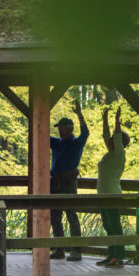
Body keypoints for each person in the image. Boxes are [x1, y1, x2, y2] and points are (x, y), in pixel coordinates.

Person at [50, 99, 89, 261]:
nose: (60, 132)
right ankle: (60, 249)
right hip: (55, 182)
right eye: (58, 129)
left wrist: (79, 114)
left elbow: (86, 132)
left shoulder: (76, 144)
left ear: (70, 129)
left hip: (69, 182)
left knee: (71, 215)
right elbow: (40, 134)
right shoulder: (57, 143)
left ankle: (76, 250)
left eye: (62, 129)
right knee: (55, 216)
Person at [96, 106, 130, 268]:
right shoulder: (109, 154)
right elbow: (106, 135)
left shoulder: (119, 154)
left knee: (114, 226)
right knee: (108, 226)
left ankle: (119, 257)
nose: (109, 140)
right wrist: (104, 119)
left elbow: (116, 135)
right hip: (103, 195)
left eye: (113, 139)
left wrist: (116, 121)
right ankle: (111, 255)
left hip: (112, 195)